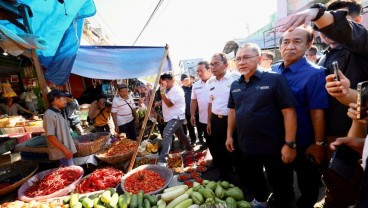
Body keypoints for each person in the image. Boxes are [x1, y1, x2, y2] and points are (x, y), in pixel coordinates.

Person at [226, 43, 298, 208]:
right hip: (246, 145)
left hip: (273, 146)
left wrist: (290, 144)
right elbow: (233, 111)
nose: (241, 62)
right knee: (255, 178)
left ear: (259, 59)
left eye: (246, 57)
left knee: (281, 183)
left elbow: (289, 112)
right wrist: (230, 135)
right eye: (238, 59)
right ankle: (260, 201)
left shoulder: (274, 79)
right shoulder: (235, 85)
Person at [317, 1, 368, 206]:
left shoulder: (362, 49)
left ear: (358, 22)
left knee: (347, 185)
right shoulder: (324, 57)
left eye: (339, 23)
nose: (329, 29)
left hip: (353, 132)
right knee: (333, 180)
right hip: (327, 131)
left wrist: (318, 13)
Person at [272, 26, 329, 208]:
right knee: (280, 181)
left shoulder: (316, 74)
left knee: (308, 185)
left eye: (297, 41)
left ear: (309, 44)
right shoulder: (272, 71)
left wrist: (319, 145)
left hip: (304, 143)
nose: (290, 46)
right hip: (274, 140)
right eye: (286, 42)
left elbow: (317, 112)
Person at [206, 52, 240, 181]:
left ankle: (242, 180)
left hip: (233, 120)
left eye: (216, 64)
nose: (213, 67)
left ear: (226, 65)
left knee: (235, 150)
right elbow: (211, 102)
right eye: (211, 64)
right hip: (216, 121)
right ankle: (224, 176)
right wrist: (209, 121)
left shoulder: (236, 78)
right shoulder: (210, 82)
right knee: (219, 150)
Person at [158, 72, 193, 165]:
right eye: (162, 82)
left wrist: (162, 92)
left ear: (172, 80)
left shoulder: (177, 90)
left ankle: (163, 159)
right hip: (170, 117)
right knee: (180, 135)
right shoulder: (168, 90)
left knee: (167, 133)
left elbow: (170, 104)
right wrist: (158, 103)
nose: (164, 84)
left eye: (165, 82)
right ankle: (189, 149)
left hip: (176, 117)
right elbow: (165, 101)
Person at [44, 89, 77, 166]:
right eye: (64, 99)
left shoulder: (59, 112)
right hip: (61, 154)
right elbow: (50, 136)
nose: (66, 101)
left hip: (65, 152)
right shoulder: (49, 114)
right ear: (55, 99)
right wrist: (65, 149)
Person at [190, 61, 212, 150]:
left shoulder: (216, 81)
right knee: (210, 142)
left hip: (218, 119)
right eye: (197, 71)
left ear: (209, 70)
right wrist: (192, 115)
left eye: (201, 71)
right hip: (203, 119)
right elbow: (194, 101)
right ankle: (214, 160)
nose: (199, 73)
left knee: (220, 142)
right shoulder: (195, 85)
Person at [181, 74, 197, 145]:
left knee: (199, 126)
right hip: (187, 112)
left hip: (197, 111)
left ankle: (201, 138)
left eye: (187, 80)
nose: (186, 81)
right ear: (182, 82)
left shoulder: (195, 87)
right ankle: (193, 140)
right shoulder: (181, 89)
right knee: (190, 127)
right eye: (184, 81)